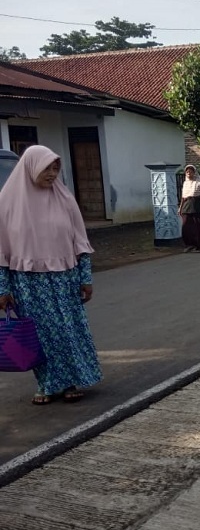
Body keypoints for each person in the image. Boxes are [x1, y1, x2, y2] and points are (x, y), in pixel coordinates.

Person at [0, 146, 102, 404]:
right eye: (47, 168)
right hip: (27, 283)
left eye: (55, 168)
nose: (52, 174)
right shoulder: (7, 203)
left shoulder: (65, 199)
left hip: (64, 280)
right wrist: (2, 289)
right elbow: (0, 251)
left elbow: (80, 242)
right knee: (39, 335)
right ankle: (46, 384)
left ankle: (69, 382)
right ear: (31, 166)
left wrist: (85, 278)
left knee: (67, 330)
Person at [179, 164, 200, 253]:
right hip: (186, 206)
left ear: (194, 172)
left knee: (199, 226)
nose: (189, 173)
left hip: (197, 205)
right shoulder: (185, 183)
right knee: (186, 227)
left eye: (191, 172)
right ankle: (189, 245)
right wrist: (180, 208)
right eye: (187, 172)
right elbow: (183, 197)